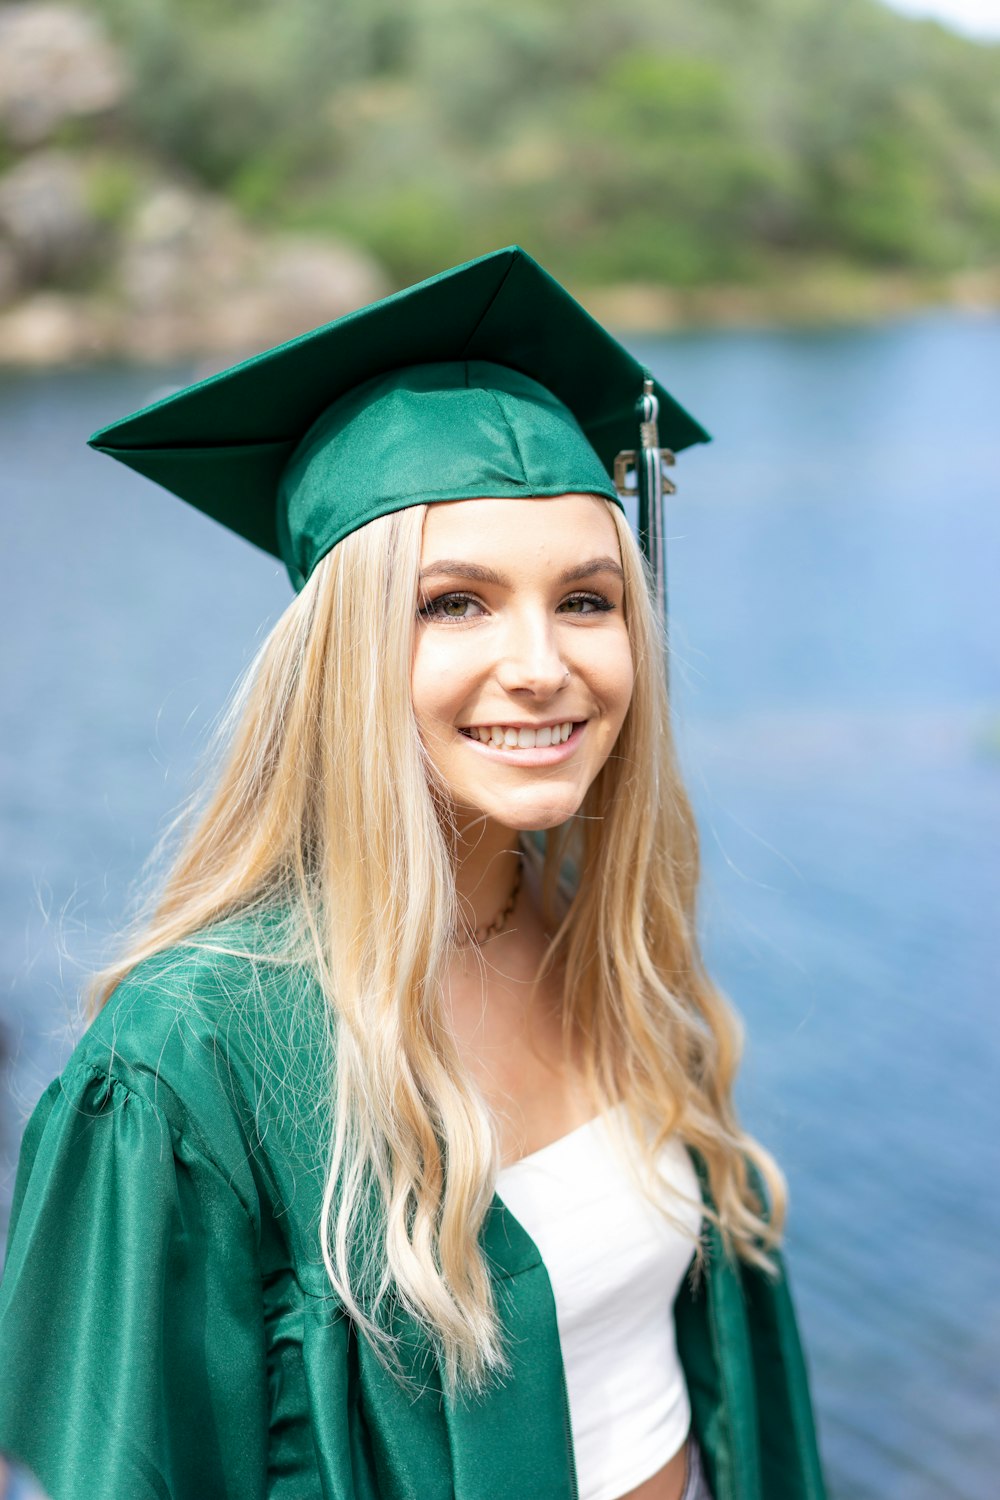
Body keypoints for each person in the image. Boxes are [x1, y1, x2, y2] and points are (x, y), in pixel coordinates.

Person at [0, 246, 828, 1500]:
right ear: (343, 651)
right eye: (456, 603)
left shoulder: (608, 945)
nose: (542, 663)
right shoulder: (196, 1059)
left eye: (588, 600)